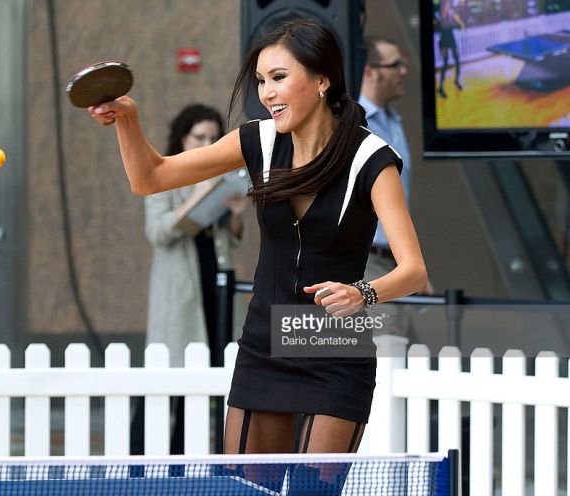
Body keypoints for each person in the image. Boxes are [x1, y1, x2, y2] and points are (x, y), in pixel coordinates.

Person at [90, 17, 426, 479]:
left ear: (322, 80)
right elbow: (151, 177)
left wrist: (361, 293)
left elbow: (413, 271)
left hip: (333, 343)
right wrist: (127, 118)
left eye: (279, 78)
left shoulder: (372, 160)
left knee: (313, 494)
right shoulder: (257, 140)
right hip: (266, 342)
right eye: (261, 81)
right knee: (249, 490)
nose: (266, 93)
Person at [132, 104, 247, 455]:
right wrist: (197, 199)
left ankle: (185, 459)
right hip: (180, 292)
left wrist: (235, 213)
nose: (207, 144)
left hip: (216, 281)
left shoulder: (220, 173)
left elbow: (232, 238)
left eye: (214, 138)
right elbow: (157, 232)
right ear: (182, 138)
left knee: (203, 376)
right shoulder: (162, 174)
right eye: (199, 137)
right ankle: (139, 460)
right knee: (165, 377)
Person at [359, 37, 431, 337]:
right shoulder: (353, 123)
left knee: (402, 352)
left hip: (395, 262)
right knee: (385, 353)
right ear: (369, 71)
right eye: (395, 65)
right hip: (365, 262)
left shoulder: (392, 120)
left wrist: (411, 263)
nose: (404, 71)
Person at [435, 0, 466, 98]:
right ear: (442, 6)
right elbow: (438, 27)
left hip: (451, 38)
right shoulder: (437, 15)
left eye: (448, 5)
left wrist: (460, 25)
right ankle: (440, 88)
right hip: (443, 40)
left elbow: (461, 25)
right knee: (445, 62)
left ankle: (456, 81)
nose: (447, 7)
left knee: (457, 60)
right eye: (446, 5)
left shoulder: (451, 14)